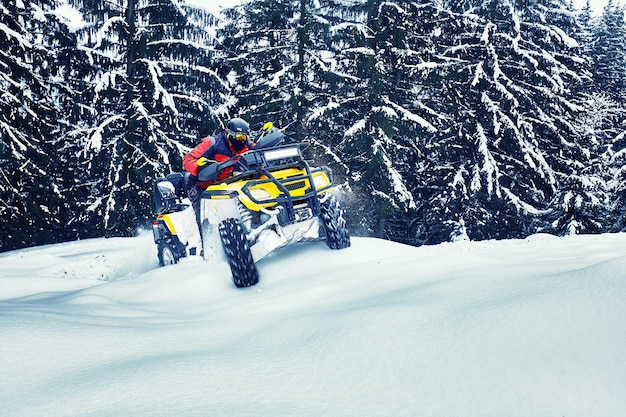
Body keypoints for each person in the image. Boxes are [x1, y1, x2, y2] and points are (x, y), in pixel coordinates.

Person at [182, 117, 255, 219]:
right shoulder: (213, 143)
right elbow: (188, 159)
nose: (242, 141)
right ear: (229, 134)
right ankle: (204, 233)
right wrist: (199, 167)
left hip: (229, 184)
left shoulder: (247, 145)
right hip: (202, 185)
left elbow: (259, 150)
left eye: (245, 137)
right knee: (203, 214)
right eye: (239, 137)